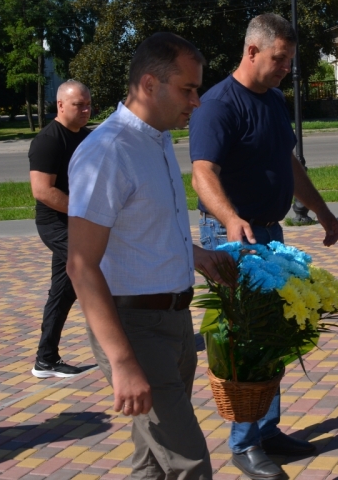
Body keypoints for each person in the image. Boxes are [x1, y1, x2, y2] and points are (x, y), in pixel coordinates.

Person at [67, 33, 231, 480]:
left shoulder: (156, 138)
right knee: (189, 462)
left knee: (152, 460)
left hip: (175, 321)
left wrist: (194, 254)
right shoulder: (107, 151)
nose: (197, 101)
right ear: (148, 84)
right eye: (188, 89)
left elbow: (140, 227)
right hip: (134, 329)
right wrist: (122, 362)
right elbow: (81, 264)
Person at [189, 13, 338, 480]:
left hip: (271, 236)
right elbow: (203, 172)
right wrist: (231, 219)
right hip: (232, 239)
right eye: (280, 59)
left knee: (274, 337)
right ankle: (244, 443)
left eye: (289, 61)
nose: (285, 69)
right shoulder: (217, 105)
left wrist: (321, 209)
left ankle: (268, 430)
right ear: (251, 51)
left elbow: (288, 162)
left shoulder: (274, 101)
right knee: (243, 343)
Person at [28, 80, 92, 378]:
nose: (86, 110)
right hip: (55, 223)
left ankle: (45, 359)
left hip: (79, 221)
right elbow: (42, 191)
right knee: (97, 268)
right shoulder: (48, 140)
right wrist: (84, 210)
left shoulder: (88, 138)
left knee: (63, 290)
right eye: (79, 105)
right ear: (61, 105)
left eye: (88, 104)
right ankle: (127, 341)